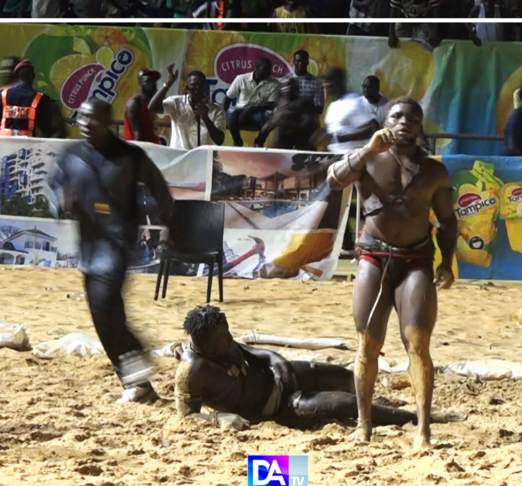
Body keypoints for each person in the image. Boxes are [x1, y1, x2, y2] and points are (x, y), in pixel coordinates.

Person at [326, 97, 458, 450]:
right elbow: (334, 180)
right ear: (385, 120)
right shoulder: (368, 160)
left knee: (418, 344)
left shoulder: (434, 171)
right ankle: (364, 424)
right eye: (397, 116)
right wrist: (369, 148)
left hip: (416, 261)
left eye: (413, 118)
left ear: (420, 125)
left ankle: (423, 430)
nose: (405, 122)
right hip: (373, 259)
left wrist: (447, 261)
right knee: (368, 344)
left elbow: (446, 222)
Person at [47, 98, 175, 404]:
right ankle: (138, 384)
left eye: (94, 120)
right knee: (104, 317)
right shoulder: (72, 154)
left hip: (118, 244)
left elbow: (160, 190)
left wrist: (168, 221)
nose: (86, 125)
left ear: (108, 121)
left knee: (106, 307)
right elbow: (53, 191)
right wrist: (61, 204)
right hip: (88, 248)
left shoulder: (129, 156)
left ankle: (138, 361)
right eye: (82, 119)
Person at [174, 305, 464, 431]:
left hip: (284, 376)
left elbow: (257, 352)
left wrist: (278, 362)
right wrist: (219, 419)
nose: (229, 341)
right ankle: (420, 418)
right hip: (280, 405)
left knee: (343, 376)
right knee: (347, 404)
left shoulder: (222, 341)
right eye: (223, 339)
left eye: (228, 334)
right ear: (204, 343)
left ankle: (384, 403)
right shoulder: (192, 372)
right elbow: (185, 418)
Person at [148, 65, 225, 150]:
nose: (198, 88)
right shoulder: (176, 103)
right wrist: (168, 83)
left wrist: (205, 118)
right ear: (187, 87)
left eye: (201, 85)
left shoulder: (216, 110)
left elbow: (219, 141)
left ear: (205, 87)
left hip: (203, 159)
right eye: (194, 85)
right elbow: (152, 107)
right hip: (179, 157)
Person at [222, 58, 280, 147]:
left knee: (270, 115)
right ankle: (237, 141)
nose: (269, 72)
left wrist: (252, 109)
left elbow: (272, 104)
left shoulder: (274, 83)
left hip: (259, 113)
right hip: (240, 111)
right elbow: (227, 98)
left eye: (269, 69)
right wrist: (223, 118)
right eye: (265, 69)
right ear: (256, 68)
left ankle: (259, 141)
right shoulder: (241, 79)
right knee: (231, 112)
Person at [322, 67, 377, 153]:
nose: (326, 88)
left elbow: (370, 130)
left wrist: (338, 138)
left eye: (328, 85)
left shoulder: (355, 102)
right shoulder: (332, 106)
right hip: (335, 158)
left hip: (352, 158)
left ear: (337, 83)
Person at [0, 59, 53, 138]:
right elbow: (45, 127)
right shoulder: (40, 98)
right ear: (33, 76)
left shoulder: (2, 95)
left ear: (16, 76)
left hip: (4, 143)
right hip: (26, 145)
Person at [123, 68, 163, 144]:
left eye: (154, 82)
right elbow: (136, 131)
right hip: (139, 149)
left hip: (153, 147)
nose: (152, 84)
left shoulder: (150, 102)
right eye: (147, 82)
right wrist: (141, 152)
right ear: (140, 82)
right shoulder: (134, 103)